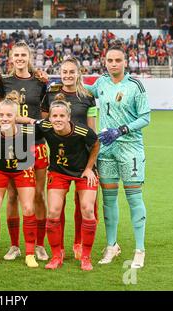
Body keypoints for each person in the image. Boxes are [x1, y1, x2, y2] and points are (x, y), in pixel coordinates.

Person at [85, 42, 150, 269]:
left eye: (118, 60)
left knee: (134, 198)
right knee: (109, 200)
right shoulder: (101, 82)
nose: (113, 64)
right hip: (106, 149)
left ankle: (139, 249)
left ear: (125, 62)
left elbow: (145, 118)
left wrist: (121, 130)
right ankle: (112, 246)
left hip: (130, 148)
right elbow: (82, 89)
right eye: (110, 60)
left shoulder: (135, 85)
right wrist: (50, 80)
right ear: (105, 61)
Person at [0, 41, 48, 261]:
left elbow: (44, 115)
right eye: (16, 54)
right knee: (13, 195)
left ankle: (40, 245)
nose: (20, 58)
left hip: (36, 143)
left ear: (29, 57)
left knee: (38, 194)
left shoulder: (40, 81)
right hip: (11, 144)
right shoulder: (4, 81)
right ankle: (15, 245)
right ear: (11, 57)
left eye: (23, 55)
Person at [34, 99, 99, 270]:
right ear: (50, 117)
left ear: (68, 117)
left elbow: (96, 144)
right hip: (58, 172)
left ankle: (86, 256)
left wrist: (89, 168)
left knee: (88, 209)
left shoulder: (82, 131)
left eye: (62, 115)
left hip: (82, 172)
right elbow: (25, 128)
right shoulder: (45, 127)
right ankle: (56, 256)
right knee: (54, 211)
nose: (58, 119)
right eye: (54, 116)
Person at [43, 57, 97, 261]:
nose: (67, 75)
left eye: (71, 72)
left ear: (78, 73)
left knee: (84, 205)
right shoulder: (50, 94)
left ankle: (79, 243)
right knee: (57, 206)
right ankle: (60, 249)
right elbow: (45, 123)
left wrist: (92, 162)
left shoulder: (87, 96)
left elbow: (92, 128)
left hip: (84, 158)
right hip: (61, 157)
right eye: (64, 72)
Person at [0, 92, 39, 268]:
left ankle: (30, 254)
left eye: (9, 115)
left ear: (17, 116)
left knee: (29, 207)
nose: (4, 118)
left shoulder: (29, 131)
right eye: (1, 115)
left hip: (22, 171)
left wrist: (31, 121)